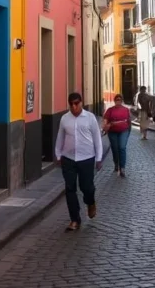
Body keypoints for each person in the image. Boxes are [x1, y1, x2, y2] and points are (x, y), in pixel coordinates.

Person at [55, 92, 103, 231]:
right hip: (68, 159)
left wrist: (99, 158)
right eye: (71, 104)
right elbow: (60, 137)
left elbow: (97, 138)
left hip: (87, 158)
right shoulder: (65, 119)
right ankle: (75, 219)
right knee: (70, 189)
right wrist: (58, 154)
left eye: (76, 103)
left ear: (81, 103)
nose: (74, 107)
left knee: (86, 187)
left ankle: (90, 202)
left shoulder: (90, 118)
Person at [102, 94, 132, 177]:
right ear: (114, 101)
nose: (118, 101)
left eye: (120, 99)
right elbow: (105, 119)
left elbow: (129, 121)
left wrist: (129, 131)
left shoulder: (126, 110)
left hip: (124, 131)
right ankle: (116, 163)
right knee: (115, 149)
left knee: (122, 147)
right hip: (112, 132)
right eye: (117, 99)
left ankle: (122, 167)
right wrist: (105, 127)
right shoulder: (110, 110)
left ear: (122, 101)